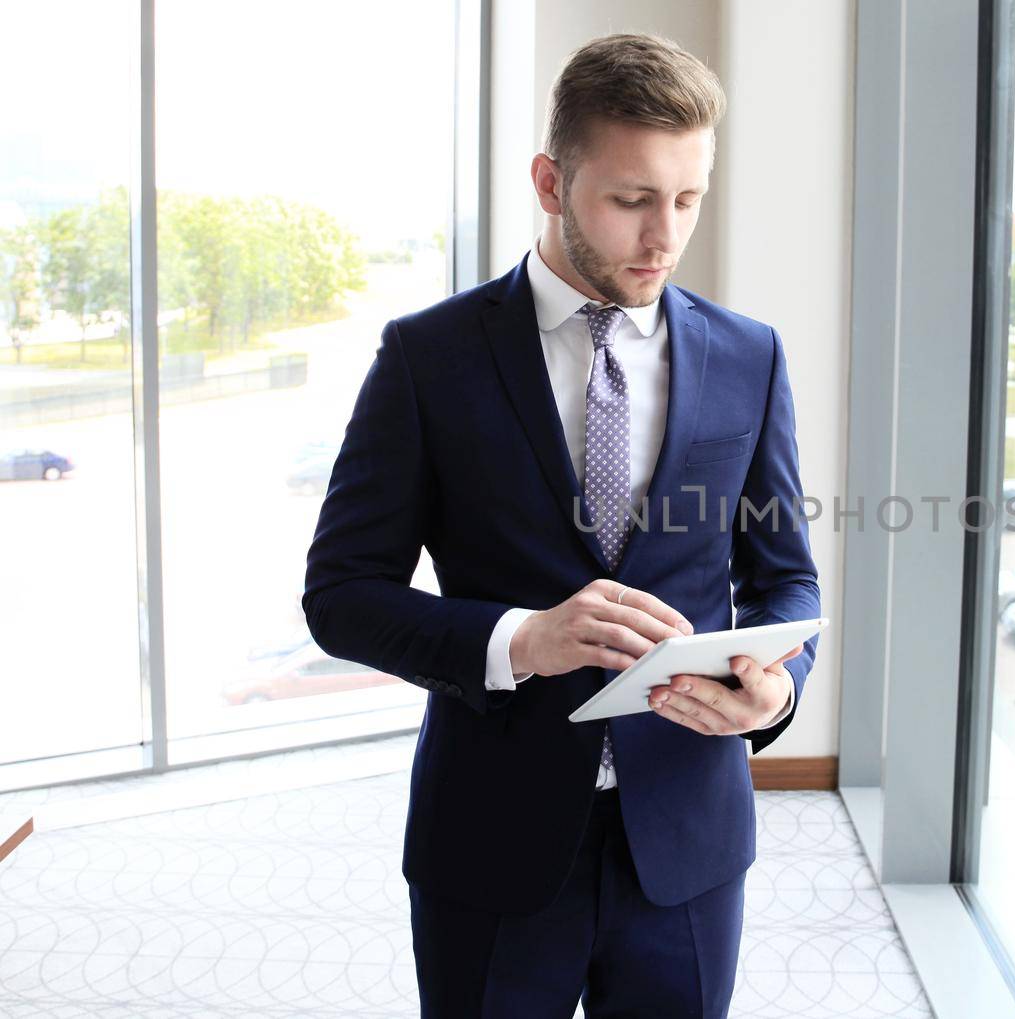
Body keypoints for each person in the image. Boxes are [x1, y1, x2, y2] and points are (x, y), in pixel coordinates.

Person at [301, 32, 821, 1018]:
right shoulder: (428, 358)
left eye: (687, 198)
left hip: (689, 842)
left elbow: (786, 577)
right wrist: (520, 639)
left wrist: (777, 687)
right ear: (550, 179)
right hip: (490, 839)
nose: (664, 237)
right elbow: (340, 596)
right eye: (631, 199)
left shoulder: (749, 356)